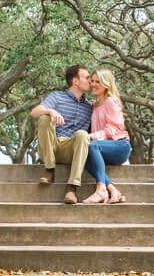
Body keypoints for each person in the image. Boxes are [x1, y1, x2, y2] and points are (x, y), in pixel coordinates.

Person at [30, 64, 93, 204]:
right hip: (52, 146)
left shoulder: (90, 107)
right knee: (44, 117)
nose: (90, 81)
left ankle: (72, 188)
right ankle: (50, 170)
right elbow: (34, 112)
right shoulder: (57, 97)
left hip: (71, 149)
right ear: (76, 81)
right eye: (87, 77)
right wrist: (50, 111)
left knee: (83, 134)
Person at [82, 68, 131, 204]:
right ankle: (111, 189)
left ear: (106, 84)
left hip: (120, 146)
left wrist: (91, 136)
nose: (93, 84)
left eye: (98, 81)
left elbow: (112, 130)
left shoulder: (111, 101)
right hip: (101, 149)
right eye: (92, 81)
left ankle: (100, 189)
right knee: (83, 155)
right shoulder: (95, 105)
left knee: (93, 145)